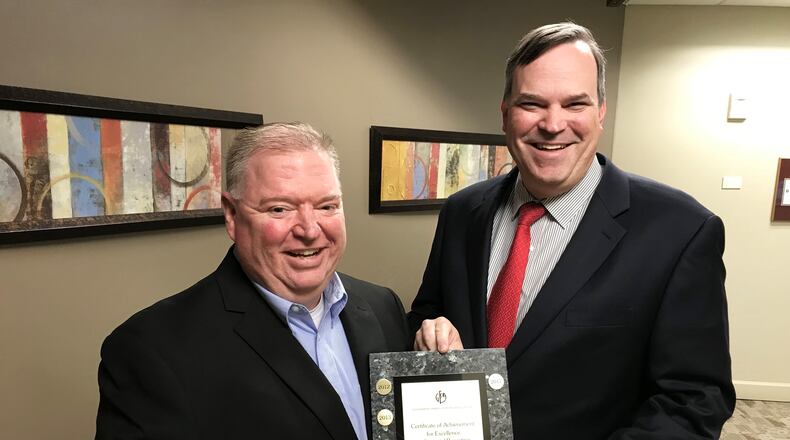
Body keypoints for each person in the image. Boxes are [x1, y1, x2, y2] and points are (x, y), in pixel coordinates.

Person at [409, 22, 734, 439]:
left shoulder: (681, 232)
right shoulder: (461, 213)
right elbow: (426, 316)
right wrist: (428, 333)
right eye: (532, 104)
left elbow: (694, 401)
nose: (552, 124)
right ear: (506, 114)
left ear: (600, 112)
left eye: (575, 104)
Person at [96, 122, 410, 439]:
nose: (309, 229)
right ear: (232, 215)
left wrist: (439, 359)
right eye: (280, 209)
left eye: (327, 206)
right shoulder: (153, 350)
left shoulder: (384, 307)